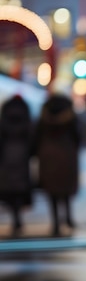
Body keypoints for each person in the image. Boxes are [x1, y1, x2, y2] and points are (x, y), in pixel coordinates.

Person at [32, 93, 81, 236]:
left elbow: (36, 137)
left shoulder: (43, 117)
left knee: (51, 192)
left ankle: (55, 223)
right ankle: (68, 218)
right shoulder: (71, 117)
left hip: (48, 156)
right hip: (67, 155)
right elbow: (78, 136)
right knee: (66, 190)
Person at [0, 95, 33, 237]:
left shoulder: (4, 119)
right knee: (19, 189)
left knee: (9, 189)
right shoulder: (25, 119)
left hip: (7, 157)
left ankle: (15, 217)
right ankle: (18, 217)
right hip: (22, 156)